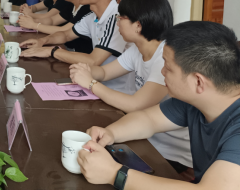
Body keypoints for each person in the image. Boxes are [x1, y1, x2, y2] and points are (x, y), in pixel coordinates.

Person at [78, 21, 240, 189]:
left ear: (198, 81)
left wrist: (115, 174)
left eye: (168, 67)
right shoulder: (193, 102)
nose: (162, 72)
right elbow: (149, 119)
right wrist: (111, 133)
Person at [70, 0, 192, 173]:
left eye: (121, 18)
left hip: (170, 153)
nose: (117, 22)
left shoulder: (165, 58)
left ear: (138, 25)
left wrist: (91, 84)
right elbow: (104, 72)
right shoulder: (137, 49)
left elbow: (136, 105)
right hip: (143, 135)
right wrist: (84, 70)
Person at [20, 0, 132, 93]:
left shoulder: (116, 19)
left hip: (114, 91)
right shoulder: (92, 16)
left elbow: (93, 60)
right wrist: (42, 41)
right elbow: (66, 35)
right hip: (92, 82)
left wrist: (51, 51)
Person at [19, 0, 93, 54]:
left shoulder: (86, 9)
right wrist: (30, 21)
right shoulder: (71, 5)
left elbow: (64, 30)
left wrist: (34, 25)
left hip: (79, 53)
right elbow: (52, 20)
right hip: (65, 47)